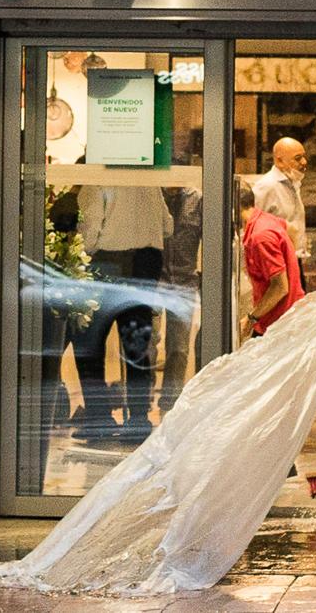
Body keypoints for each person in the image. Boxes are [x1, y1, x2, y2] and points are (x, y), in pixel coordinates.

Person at [70, 185, 173, 442]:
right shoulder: (149, 181)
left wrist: (82, 254)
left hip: (107, 263)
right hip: (146, 262)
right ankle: (138, 420)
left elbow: (89, 230)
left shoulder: (99, 179)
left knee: (89, 343)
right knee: (137, 344)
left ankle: (99, 418)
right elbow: (167, 226)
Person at [159, 185, 202, 417]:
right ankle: (140, 405)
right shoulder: (153, 194)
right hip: (155, 278)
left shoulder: (197, 199)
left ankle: (170, 403)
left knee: (179, 347)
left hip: (185, 280)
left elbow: (210, 241)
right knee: (147, 343)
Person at [240, 184, 304, 340]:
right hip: (284, 318)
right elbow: (293, 231)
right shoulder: (264, 219)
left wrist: (251, 317)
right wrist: (289, 264)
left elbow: (280, 287)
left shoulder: (260, 237)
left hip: (278, 325)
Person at [252, 137, 309, 288]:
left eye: (304, 156)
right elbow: (253, 226)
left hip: (293, 259)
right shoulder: (267, 186)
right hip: (276, 263)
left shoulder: (293, 183)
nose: (304, 162)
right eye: (298, 158)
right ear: (280, 161)